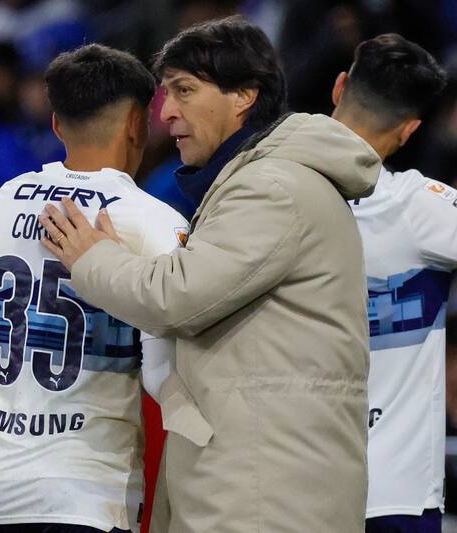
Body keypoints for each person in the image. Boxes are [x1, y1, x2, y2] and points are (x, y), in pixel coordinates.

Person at [38, 16, 381, 532]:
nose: (166, 112)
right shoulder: (262, 178)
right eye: (165, 94)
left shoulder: (272, 187)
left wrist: (93, 258)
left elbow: (177, 296)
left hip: (267, 495)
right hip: (259, 479)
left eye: (184, 90)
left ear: (244, 96)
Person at [0, 43, 189, 532]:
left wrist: (23, 393)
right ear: (137, 123)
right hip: (93, 491)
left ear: (56, 124)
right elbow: (164, 376)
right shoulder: (156, 222)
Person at [330, 34, 449, 532]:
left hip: (291, 489)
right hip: (395, 494)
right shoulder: (419, 207)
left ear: (340, 87)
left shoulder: (263, 190)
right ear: (409, 129)